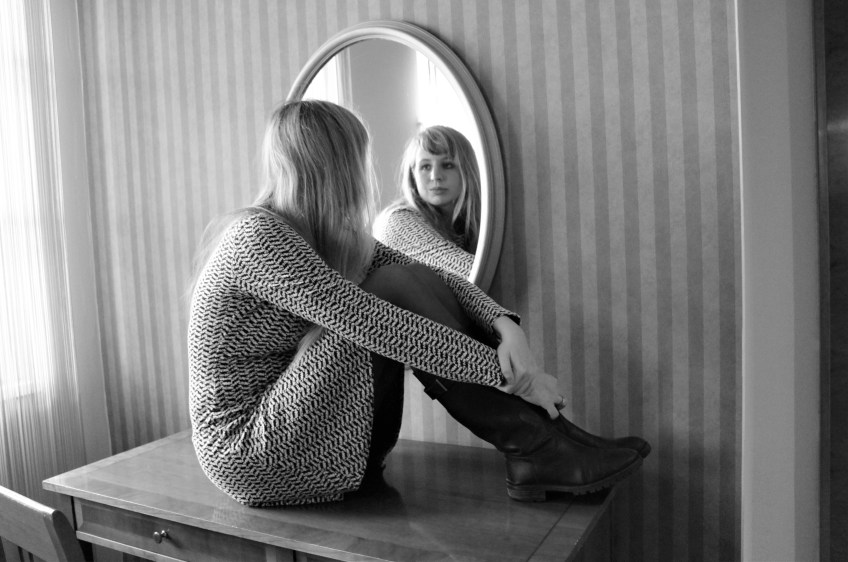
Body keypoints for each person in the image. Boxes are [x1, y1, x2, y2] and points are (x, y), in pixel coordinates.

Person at [188, 100, 649, 507]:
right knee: (386, 291)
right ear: (337, 164)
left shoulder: (330, 236)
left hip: (333, 432)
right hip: (250, 451)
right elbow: (379, 325)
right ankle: (534, 446)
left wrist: (506, 326)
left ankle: (546, 441)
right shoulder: (258, 237)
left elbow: (430, 275)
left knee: (405, 277)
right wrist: (515, 379)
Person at [374, 126, 479, 278]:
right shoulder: (398, 221)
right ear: (413, 174)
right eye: (425, 167)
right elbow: (466, 270)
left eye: (447, 165)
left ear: (467, 171)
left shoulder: (469, 224)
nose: (435, 176)